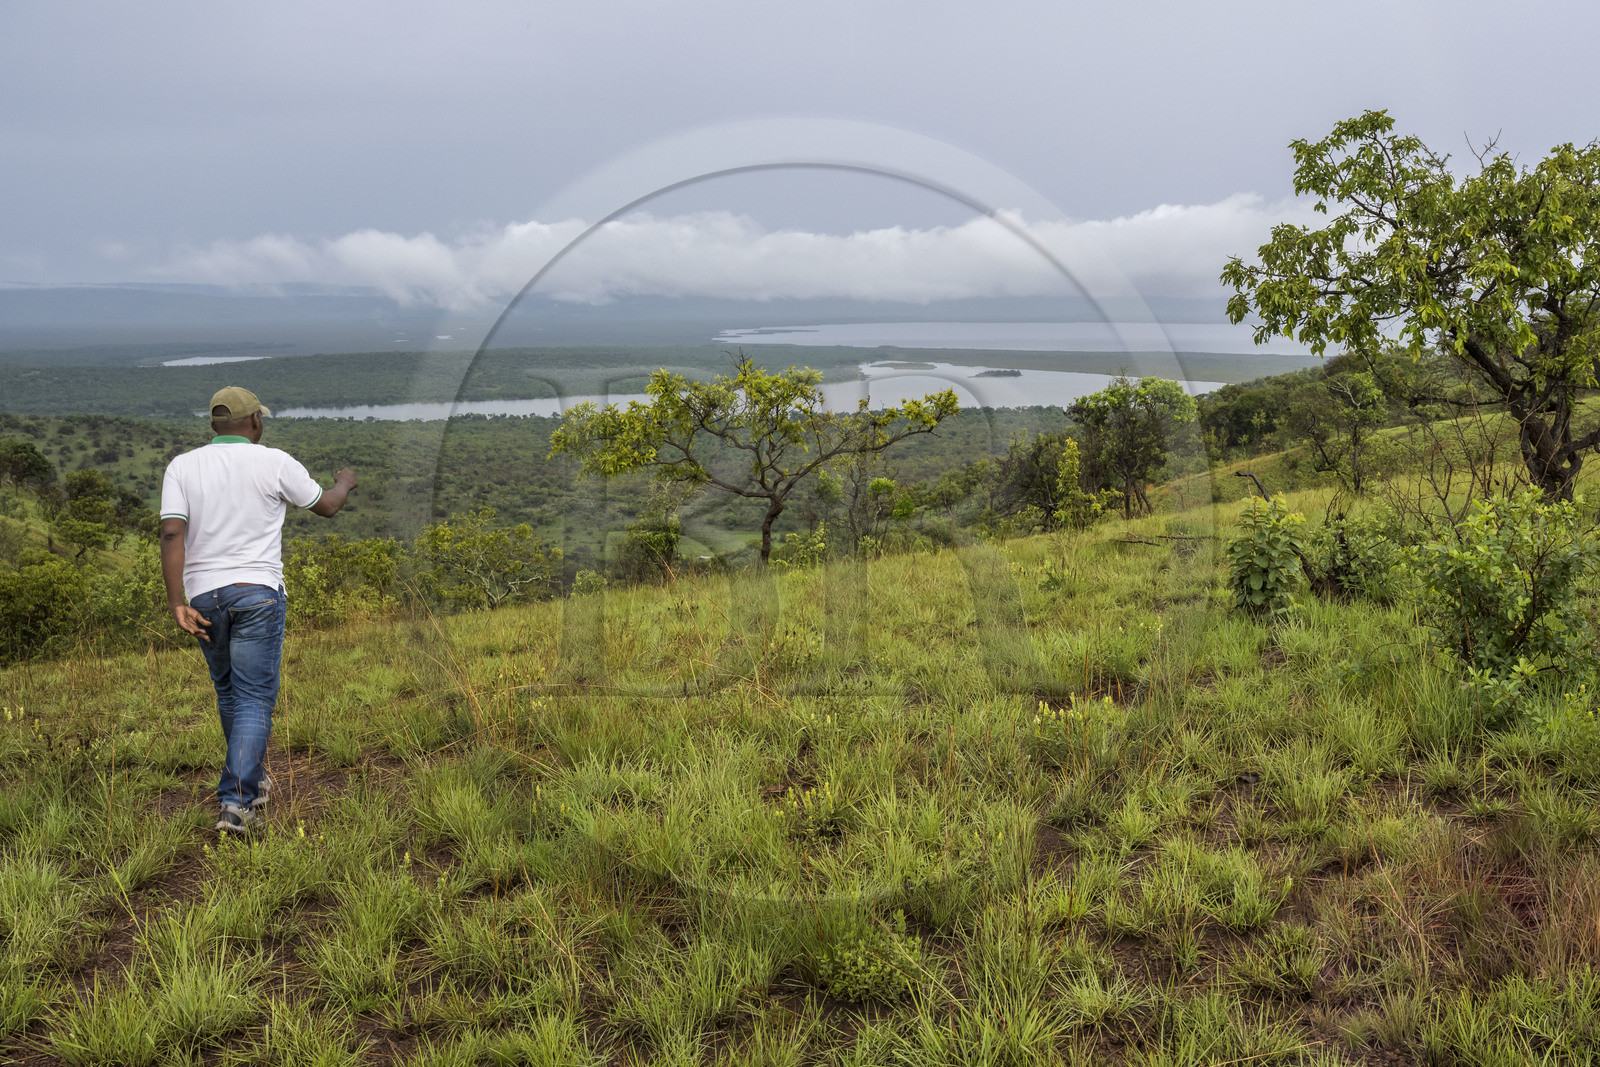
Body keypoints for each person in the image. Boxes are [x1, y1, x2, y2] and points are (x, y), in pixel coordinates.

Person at [159, 387, 358, 833]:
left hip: (204, 597)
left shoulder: (182, 466)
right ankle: (238, 802)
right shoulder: (274, 461)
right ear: (255, 423)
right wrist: (344, 481)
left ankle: (254, 783)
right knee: (254, 698)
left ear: (214, 426)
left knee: (230, 692)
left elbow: (173, 534)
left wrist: (177, 602)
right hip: (257, 595)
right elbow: (326, 506)